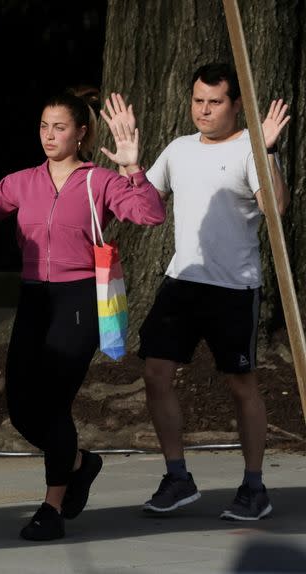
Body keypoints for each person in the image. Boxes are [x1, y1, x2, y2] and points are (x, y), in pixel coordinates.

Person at [0, 90, 166, 541]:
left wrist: (132, 167)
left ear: (81, 133)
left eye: (60, 127)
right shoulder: (23, 180)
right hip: (33, 299)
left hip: (78, 302)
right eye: (44, 127)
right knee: (19, 408)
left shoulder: (100, 182)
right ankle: (78, 462)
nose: (50, 136)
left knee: (53, 404)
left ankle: (51, 507)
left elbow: (150, 215)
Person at [137, 62, 290, 520]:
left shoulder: (251, 146)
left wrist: (266, 154)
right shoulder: (179, 149)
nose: (204, 110)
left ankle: (254, 487)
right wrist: (127, 168)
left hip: (233, 288)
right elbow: (143, 202)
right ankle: (178, 477)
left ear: (235, 104)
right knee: (154, 373)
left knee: (241, 384)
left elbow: (276, 209)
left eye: (215, 102)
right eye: (198, 101)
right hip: (182, 281)